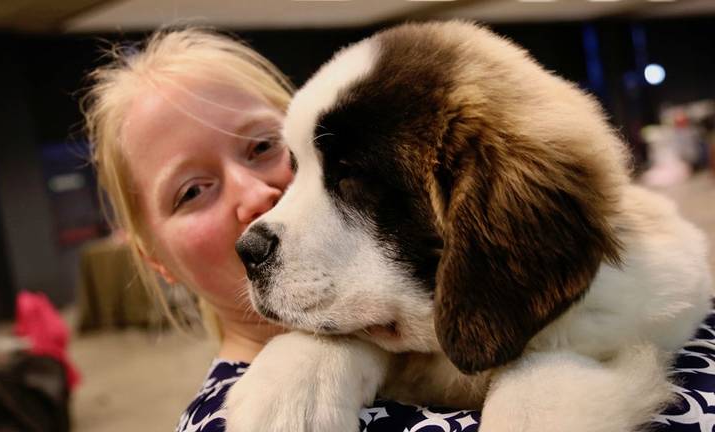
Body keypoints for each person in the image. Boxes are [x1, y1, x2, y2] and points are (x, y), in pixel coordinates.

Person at [81, 27, 715, 432]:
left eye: (263, 148)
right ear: (156, 258)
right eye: (192, 192)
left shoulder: (635, 261)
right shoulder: (226, 416)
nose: (261, 204)